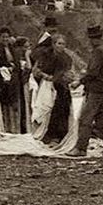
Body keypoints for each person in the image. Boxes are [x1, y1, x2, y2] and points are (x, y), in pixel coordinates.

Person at [27, 16, 75, 146]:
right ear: (53, 44)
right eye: (58, 43)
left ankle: (59, 135)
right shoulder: (46, 55)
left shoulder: (66, 58)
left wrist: (68, 78)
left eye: (63, 44)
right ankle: (47, 135)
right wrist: (45, 76)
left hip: (61, 87)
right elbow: (36, 70)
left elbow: (70, 72)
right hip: (48, 86)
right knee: (47, 109)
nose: (61, 46)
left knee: (62, 109)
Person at [77, 23, 103, 156]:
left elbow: (93, 72)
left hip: (96, 88)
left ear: (92, 38)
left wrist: (79, 81)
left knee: (86, 118)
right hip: (102, 87)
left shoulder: (98, 51)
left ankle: (81, 148)